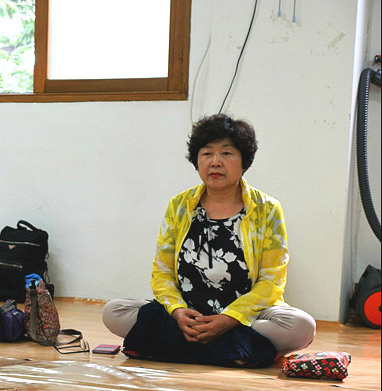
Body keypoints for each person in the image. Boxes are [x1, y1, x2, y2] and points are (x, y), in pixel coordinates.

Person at [102, 114, 315, 362]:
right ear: (197, 161)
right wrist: (178, 311)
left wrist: (228, 319)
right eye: (206, 154)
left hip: (244, 318)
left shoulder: (267, 209)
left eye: (227, 153)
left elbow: (272, 281)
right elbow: (162, 273)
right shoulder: (180, 205)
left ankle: (184, 346)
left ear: (244, 162)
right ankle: (232, 350)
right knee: (113, 311)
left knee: (301, 326)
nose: (215, 162)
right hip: (189, 316)